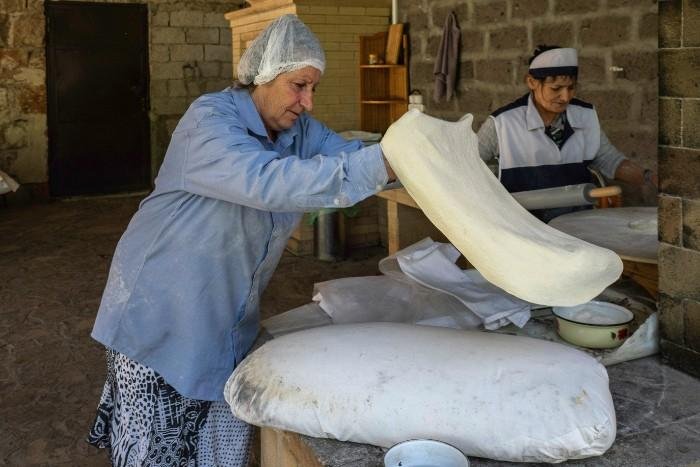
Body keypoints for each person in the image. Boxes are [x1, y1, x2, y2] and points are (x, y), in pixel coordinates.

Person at [86, 15, 394, 466]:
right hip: (161, 316)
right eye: (299, 86)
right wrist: (381, 165)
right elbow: (266, 180)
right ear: (263, 76)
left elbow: (351, 154)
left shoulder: (299, 130)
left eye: (314, 88)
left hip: (225, 317)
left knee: (219, 449)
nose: (308, 102)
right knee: (157, 450)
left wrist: (412, 154)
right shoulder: (209, 120)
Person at [477, 45, 656, 222]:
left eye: (571, 88)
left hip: (577, 221)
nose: (565, 97)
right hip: (524, 224)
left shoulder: (584, 116)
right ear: (532, 82)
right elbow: (466, 165)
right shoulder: (502, 124)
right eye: (556, 88)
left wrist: (649, 178)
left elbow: (608, 159)